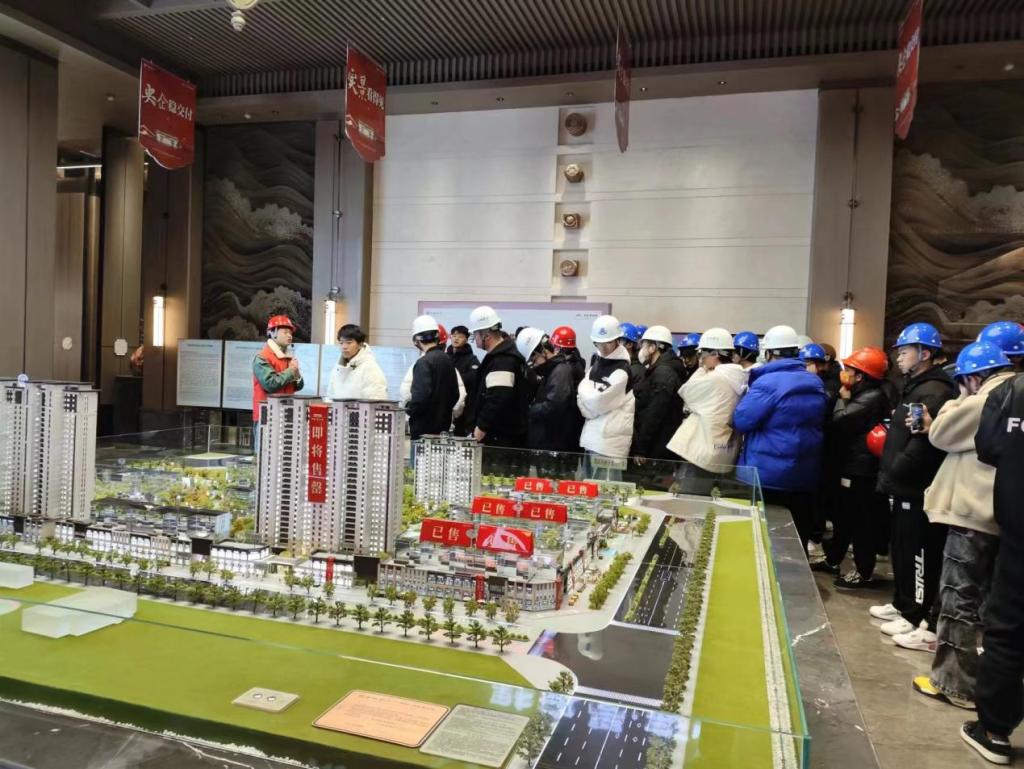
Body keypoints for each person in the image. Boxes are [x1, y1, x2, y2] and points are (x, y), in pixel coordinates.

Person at [904, 343, 1014, 708]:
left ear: (973, 377)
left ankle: (954, 684)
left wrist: (958, 400)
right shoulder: (1015, 397)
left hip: (973, 513)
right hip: (1003, 514)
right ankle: (989, 684)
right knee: (991, 605)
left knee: (958, 599)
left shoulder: (987, 399)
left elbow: (941, 432)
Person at [871, 322, 956, 639]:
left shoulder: (934, 391)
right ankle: (902, 602)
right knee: (902, 547)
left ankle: (914, 611)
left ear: (925, 353)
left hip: (915, 486)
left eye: (904, 351)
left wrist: (895, 470)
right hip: (902, 484)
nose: (899, 357)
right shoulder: (916, 386)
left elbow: (921, 444)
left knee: (918, 551)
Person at [966, 359, 1024, 765]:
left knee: (1007, 628)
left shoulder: (1012, 392)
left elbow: (988, 448)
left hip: (1019, 527)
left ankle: (993, 731)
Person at [733, 324, 828, 552]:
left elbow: (742, 420)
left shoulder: (767, 383)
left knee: (763, 541)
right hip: (804, 474)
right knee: (795, 541)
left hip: (767, 475)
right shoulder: (815, 382)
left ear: (768, 354)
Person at [811, 346, 891, 587]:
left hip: (861, 470)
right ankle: (834, 559)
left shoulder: (870, 398)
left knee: (860, 521)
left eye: (850, 370)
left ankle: (863, 572)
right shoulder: (863, 393)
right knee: (844, 518)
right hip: (850, 464)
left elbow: (840, 421)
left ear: (861, 376)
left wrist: (842, 400)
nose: (844, 373)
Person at [666, 327, 748, 494]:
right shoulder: (737, 377)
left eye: (703, 354)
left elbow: (686, 392)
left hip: (703, 451)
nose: (701, 359)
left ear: (715, 354)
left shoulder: (715, 378)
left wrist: (702, 369)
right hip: (723, 450)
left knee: (689, 500)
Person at [577, 314, 636, 475]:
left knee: (605, 488)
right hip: (592, 438)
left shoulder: (622, 370)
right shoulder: (598, 361)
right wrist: (589, 405)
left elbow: (596, 401)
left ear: (617, 340)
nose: (603, 348)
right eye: (598, 343)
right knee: (588, 486)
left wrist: (589, 406)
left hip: (609, 445)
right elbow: (580, 392)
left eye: (608, 343)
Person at [468, 305, 530, 448]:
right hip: (502, 434)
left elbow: (498, 398)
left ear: (486, 335)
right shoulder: (503, 357)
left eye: (475, 334)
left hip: (501, 438)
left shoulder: (503, 361)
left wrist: (481, 428)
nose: (475, 339)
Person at [517, 327, 580, 454]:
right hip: (547, 442)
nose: (534, 365)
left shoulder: (560, 371)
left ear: (542, 351)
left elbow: (554, 405)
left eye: (534, 360)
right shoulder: (552, 371)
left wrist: (530, 410)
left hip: (553, 444)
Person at [631, 325, 686, 462]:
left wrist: (640, 448)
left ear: (653, 347)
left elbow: (654, 413)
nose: (641, 350)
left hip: (656, 449)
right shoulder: (661, 369)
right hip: (657, 444)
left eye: (644, 345)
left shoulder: (663, 373)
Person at [252, 314, 303, 454]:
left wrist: (297, 375)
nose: (289, 336)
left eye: (290, 333)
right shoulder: (262, 357)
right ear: (272, 333)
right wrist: (291, 372)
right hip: (267, 415)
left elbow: (298, 385)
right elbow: (270, 384)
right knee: (265, 456)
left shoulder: (287, 357)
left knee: (284, 457)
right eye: (285, 332)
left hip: (287, 414)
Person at [406, 315, 459, 440]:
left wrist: (409, 408)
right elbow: (455, 394)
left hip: (423, 431)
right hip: (443, 429)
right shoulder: (448, 360)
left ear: (417, 340)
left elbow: (420, 398)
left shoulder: (423, 363)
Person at [326, 324, 388, 400]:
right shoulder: (338, 367)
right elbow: (330, 395)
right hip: (338, 408)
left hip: (359, 408)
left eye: (349, 342)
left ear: (360, 344)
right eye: (341, 343)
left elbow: (376, 399)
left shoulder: (370, 367)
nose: (344, 347)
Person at [447, 324, 479, 436]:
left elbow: (473, 377)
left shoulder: (472, 359)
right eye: (454, 335)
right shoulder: (445, 357)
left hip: (465, 407)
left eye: (460, 336)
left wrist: (454, 378)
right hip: (447, 405)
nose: (456, 339)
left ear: (466, 339)